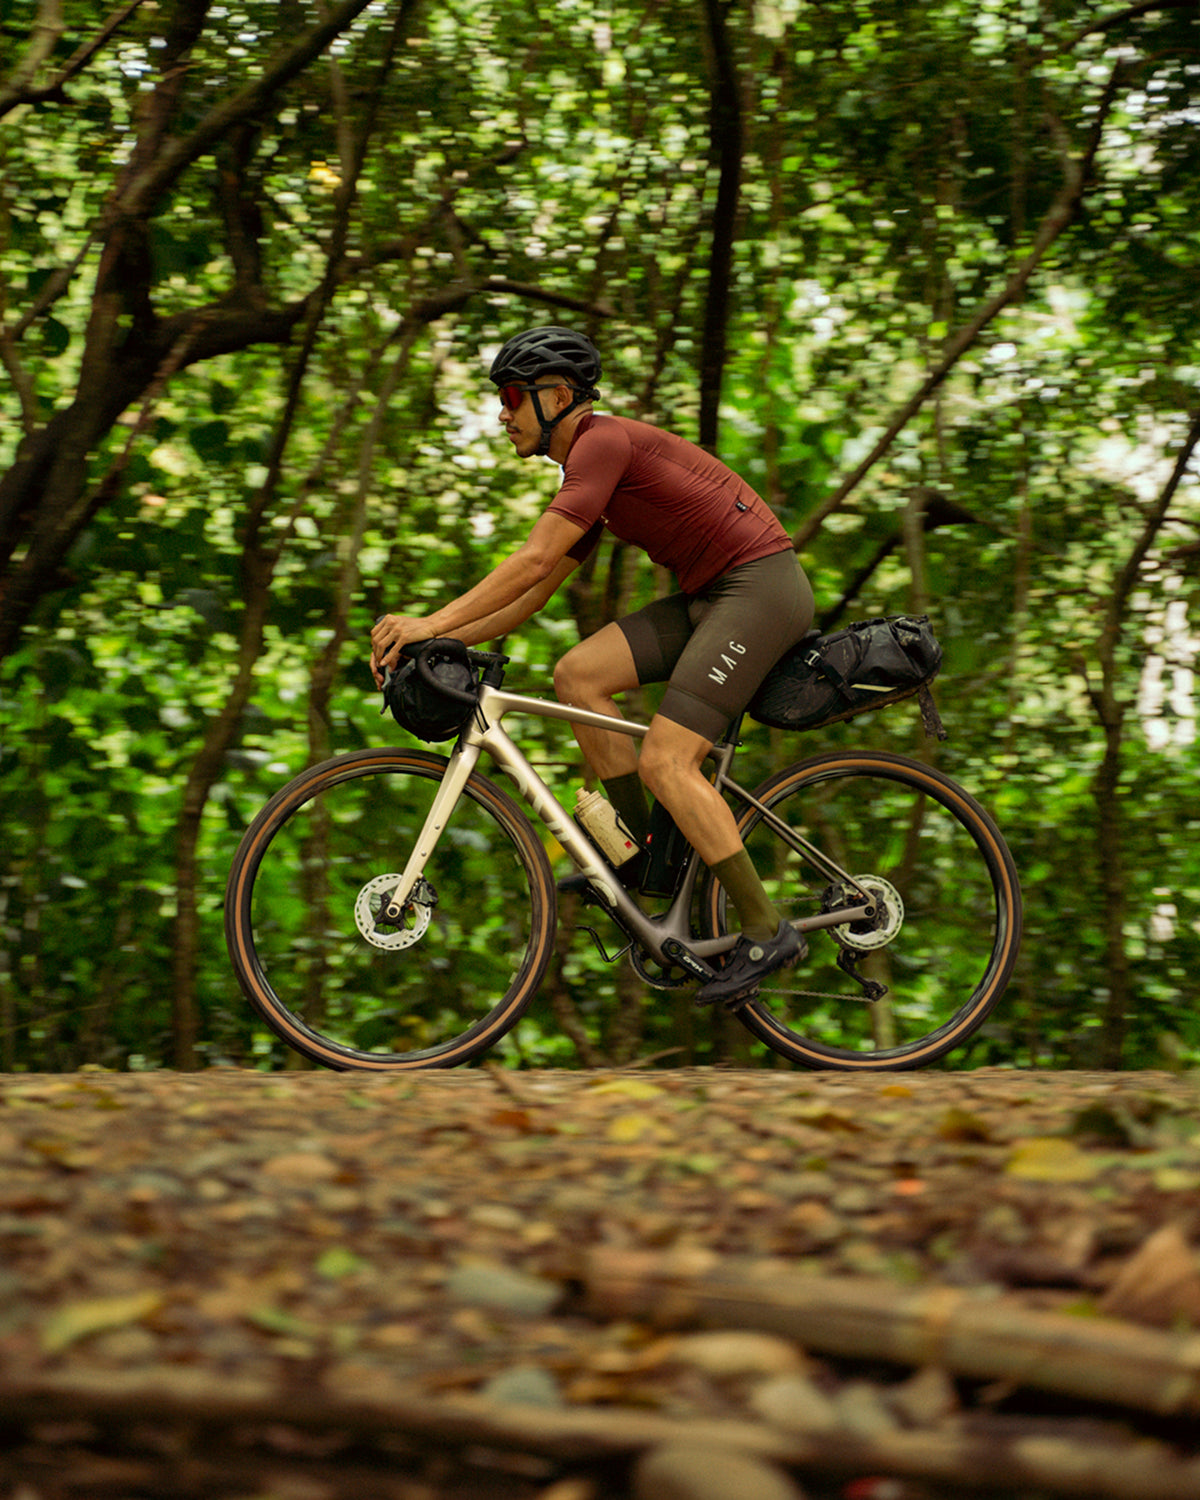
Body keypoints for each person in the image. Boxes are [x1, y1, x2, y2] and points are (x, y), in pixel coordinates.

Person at [370, 326, 815, 1006]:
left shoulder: (600, 442)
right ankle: (643, 857)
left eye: (513, 397)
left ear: (556, 396)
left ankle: (765, 926)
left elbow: (533, 559)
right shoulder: (590, 469)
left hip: (761, 589)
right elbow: (532, 593)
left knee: (670, 759)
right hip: (712, 596)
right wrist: (441, 644)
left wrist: (428, 622)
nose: (503, 413)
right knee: (578, 674)